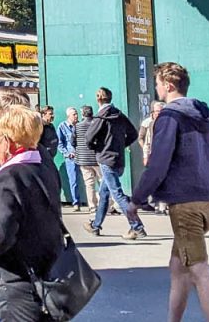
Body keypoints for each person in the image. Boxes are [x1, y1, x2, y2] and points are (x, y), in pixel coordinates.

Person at [131, 63, 209, 322]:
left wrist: (137, 199)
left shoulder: (170, 117)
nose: (157, 89)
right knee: (178, 269)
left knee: (200, 273)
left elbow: (158, 162)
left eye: (159, 84)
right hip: (207, 198)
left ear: (169, 85)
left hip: (184, 202)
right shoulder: (205, 116)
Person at [0, 104, 60, 322]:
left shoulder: (9, 177)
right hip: (44, 277)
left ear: (6, 142)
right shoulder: (44, 168)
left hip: (16, 285)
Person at [84, 87, 146, 240]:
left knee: (117, 194)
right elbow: (133, 133)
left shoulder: (100, 118)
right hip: (118, 159)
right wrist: (121, 145)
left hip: (106, 160)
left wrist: (99, 148)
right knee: (104, 193)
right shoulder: (119, 115)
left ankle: (137, 226)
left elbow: (88, 138)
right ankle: (96, 226)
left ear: (98, 99)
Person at [71, 106, 101, 215]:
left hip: (83, 159)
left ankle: (92, 207)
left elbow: (72, 141)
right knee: (102, 182)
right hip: (96, 157)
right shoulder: (97, 124)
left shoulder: (77, 126)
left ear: (83, 114)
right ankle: (107, 205)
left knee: (89, 184)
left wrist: (79, 148)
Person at [56, 107, 82, 210]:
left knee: (88, 179)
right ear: (68, 116)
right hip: (71, 158)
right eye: (74, 114)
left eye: (76, 114)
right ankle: (76, 202)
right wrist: (67, 153)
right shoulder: (62, 126)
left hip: (82, 156)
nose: (76, 116)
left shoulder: (80, 125)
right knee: (73, 180)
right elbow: (59, 143)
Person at [37, 105, 59, 170]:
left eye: (52, 114)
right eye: (50, 114)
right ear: (43, 114)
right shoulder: (40, 126)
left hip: (51, 158)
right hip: (43, 159)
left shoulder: (51, 126)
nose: (52, 116)